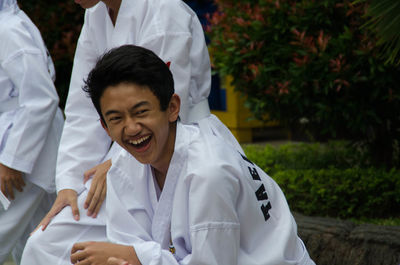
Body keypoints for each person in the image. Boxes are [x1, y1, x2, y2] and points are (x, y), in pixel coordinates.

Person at [21, 0, 241, 264]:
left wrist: (116, 161)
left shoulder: (164, 10)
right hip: (126, 155)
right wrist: (69, 183)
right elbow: (84, 109)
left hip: (174, 144)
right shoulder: (96, 15)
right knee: (44, 245)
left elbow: (157, 108)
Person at [68, 45, 315, 265]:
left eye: (141, 112)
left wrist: (135, 257)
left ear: (172, 108)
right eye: (116, 118)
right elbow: (125, 247)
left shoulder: (210, 171)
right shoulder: (123, 165)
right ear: (105, 127)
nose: (132, 128)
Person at [0, 0, 64, 264]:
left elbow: (41, 98)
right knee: (39, 240)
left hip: (27, 149)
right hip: (18, 142)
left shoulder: (9, 29)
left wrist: (13, 160)